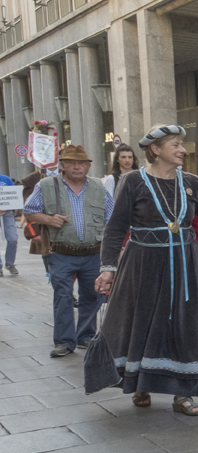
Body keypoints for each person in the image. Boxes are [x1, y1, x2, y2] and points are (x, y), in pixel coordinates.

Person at [94, 125, 198, 413]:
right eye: (175, 145)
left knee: (184, 324)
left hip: (184, 264)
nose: (182, 150)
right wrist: (108, 268)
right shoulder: (134, 181)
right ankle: (141, 383)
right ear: (156, 149)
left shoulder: (188, 180)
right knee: (145, 322)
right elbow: (115, 228)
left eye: (181, 144)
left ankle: (183, 393)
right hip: (143, 264)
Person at [22, 145, 113, 357]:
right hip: (61, 252)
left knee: (92, 295)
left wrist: (113, 250)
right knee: (63, 296)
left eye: (81, 163)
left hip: (93, 253)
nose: (77, 166)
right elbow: (28, 210)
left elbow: (111, 218)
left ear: (89, 166)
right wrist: (48, 219)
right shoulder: (46, 185)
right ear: (62, 165)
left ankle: (85, 337)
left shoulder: (99, 188)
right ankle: (64, 341)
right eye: (71, 162)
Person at [0, 172, 17, 276]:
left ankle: (10, 263)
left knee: (13, 238)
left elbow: (14, 195)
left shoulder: (5, 179)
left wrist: (7, 206)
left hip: (7, 213)